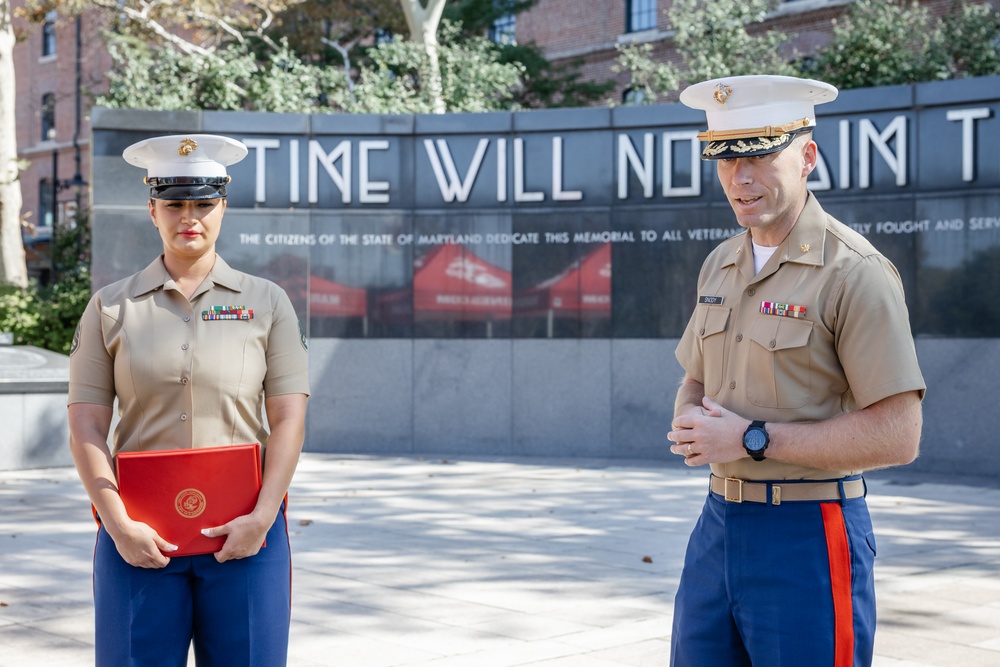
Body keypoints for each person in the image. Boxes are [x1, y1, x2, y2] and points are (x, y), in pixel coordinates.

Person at [666, 75, 925, 666]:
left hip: (808, 531)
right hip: (717, 526)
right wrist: (688, 416)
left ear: (806, 156)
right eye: (726, 157)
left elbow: (899, 434)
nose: (741, 176)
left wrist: (750, 439)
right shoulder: (720, 263)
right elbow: (696, 379)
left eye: (759, 153)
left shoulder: (855, 272)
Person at [68, 134, 310, 666]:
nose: (189, 217)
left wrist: (263, 516)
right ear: (152, 209)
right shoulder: (111, 308)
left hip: (247, 534)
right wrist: (117, 524)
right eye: (174, 204)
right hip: (138, 536)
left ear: (223, 205)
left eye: (203, 203)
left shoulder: (267, 303)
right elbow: (86, 425)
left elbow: (289, 416)